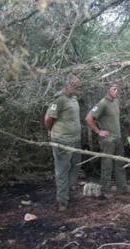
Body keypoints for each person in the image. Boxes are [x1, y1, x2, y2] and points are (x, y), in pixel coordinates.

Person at [44, 74, 82, 212]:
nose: (78, 88)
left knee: (76, 166)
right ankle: (62, 201)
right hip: (62, 141)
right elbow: (48, 118)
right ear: (67, 85)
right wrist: (50, 131)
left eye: (79, 85)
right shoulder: (59, 100)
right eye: (75, 85)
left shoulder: (74, 99)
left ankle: (68, 191)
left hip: (75, 140)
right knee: (62, 170)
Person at [85, 83, 127, 197]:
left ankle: (122, 187)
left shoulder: (116, 102)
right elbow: (88, 118)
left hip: (117, 138)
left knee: (120, 163)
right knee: (107, 165)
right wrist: (98, 131)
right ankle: (106, 191)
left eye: (117, 89)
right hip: (107, 140)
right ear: (107, 90)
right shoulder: (102, 103)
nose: (116, 91)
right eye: (114, 89)